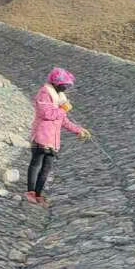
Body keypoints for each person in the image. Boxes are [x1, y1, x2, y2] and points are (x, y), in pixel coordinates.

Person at [26, 67, 90, 205]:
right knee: (36, 164)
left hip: (53, 140)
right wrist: (63, 109)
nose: (66, 88)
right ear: (56, 83)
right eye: (64, 85)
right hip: (41, 136)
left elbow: (63, 120)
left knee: (46, 168)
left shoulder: (60, 98)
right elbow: (47, 114)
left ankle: (38, 194)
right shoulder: (44, 93)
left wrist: (79, 130)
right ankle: (30, 193)